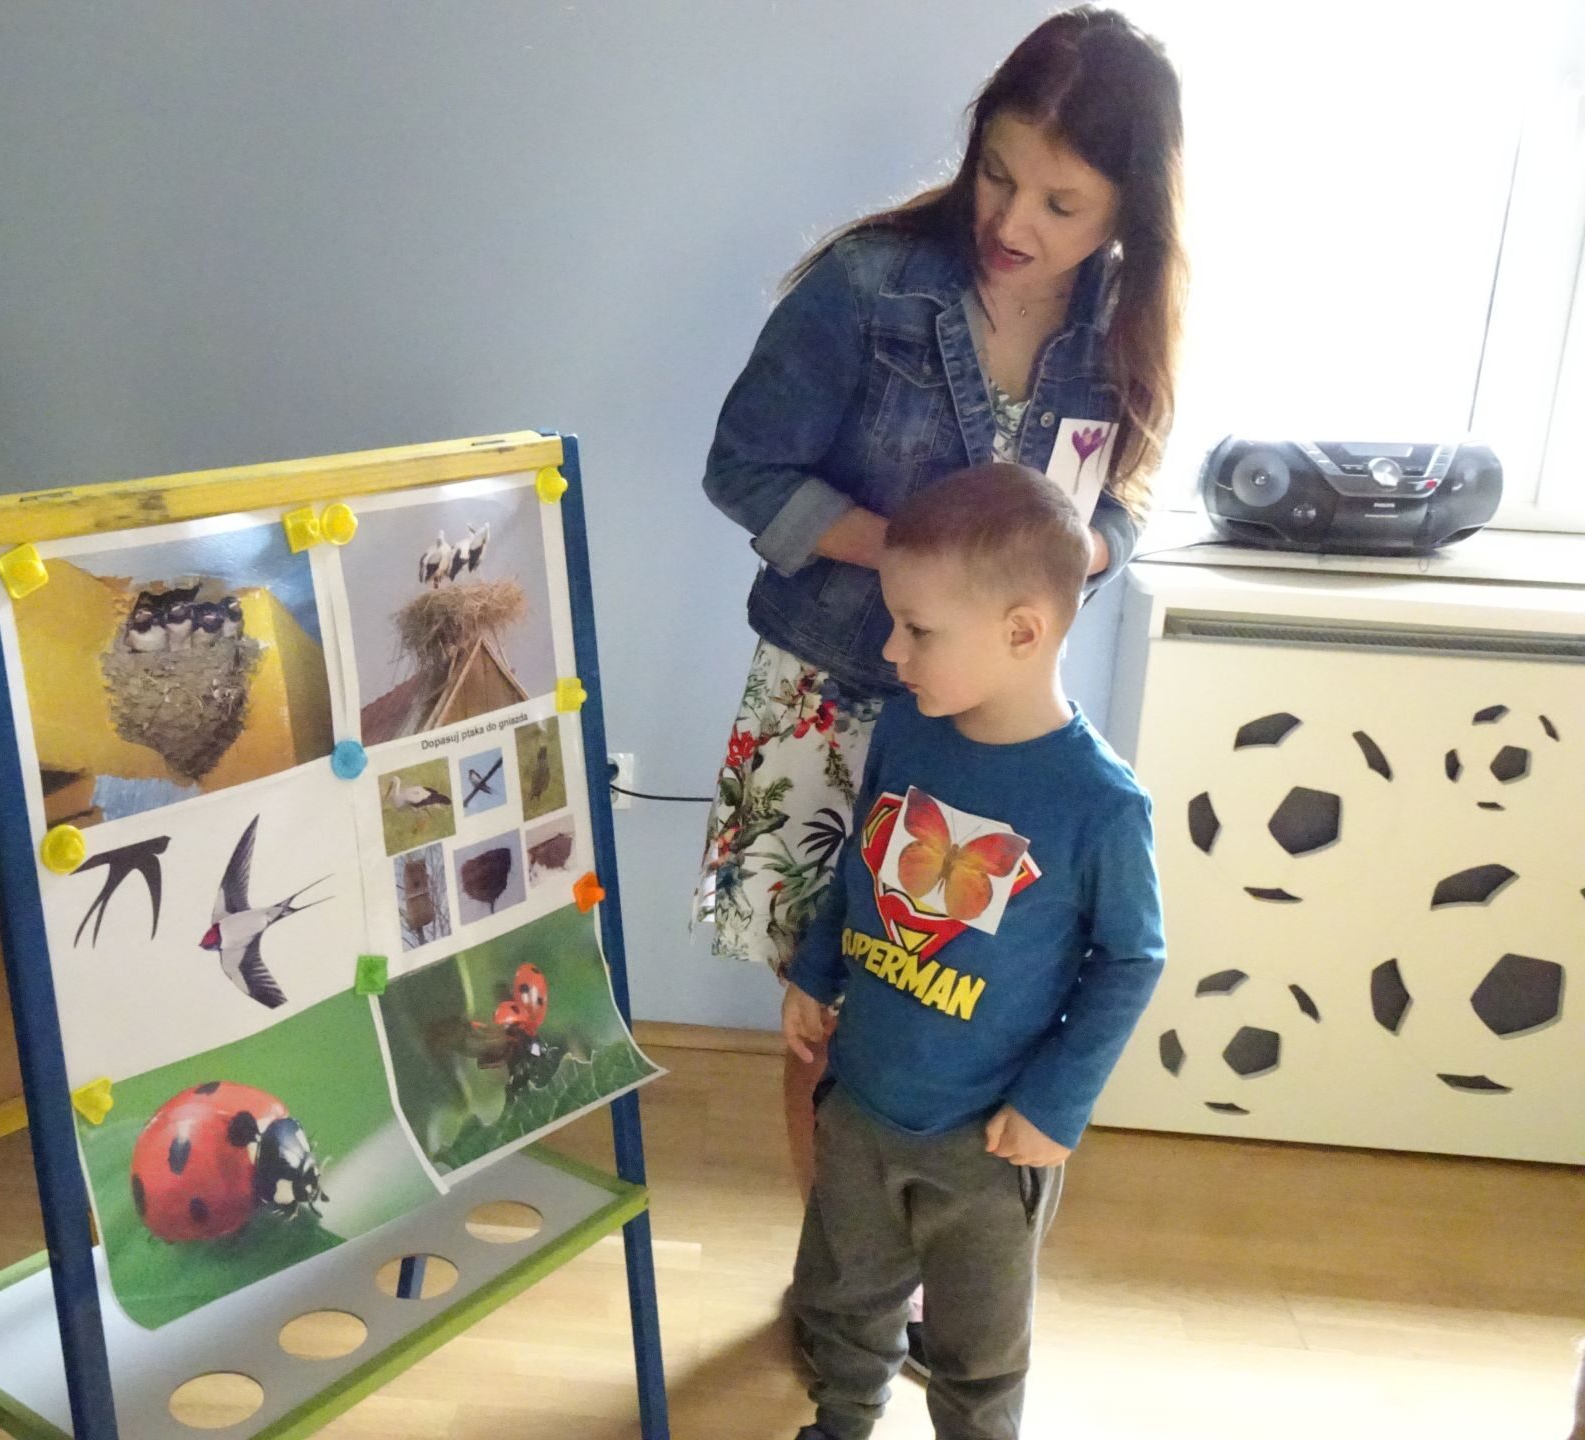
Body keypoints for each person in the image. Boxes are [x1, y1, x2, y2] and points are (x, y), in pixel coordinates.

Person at [693, 3, 1184, 1376]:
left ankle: (929, 1293)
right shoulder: (868, 286)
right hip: (835, 696)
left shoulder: (1124, 327)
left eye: (1061, 203)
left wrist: (1070, 561)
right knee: (827, 1021)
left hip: (997, 738)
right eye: (997, 174)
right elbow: (744, 470)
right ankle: (842, 1291)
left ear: (1128, 210)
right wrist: (915, 560)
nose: (1012, 220)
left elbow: (1125, 502)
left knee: (967, 1007)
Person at [780, 463, 1165, 1440]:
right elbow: (864, 858)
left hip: (988, 1145)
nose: (890, 649)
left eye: (917, 629)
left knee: (977, 1351)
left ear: (1022, 631)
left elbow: (1130, 960)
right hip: (862, 1106)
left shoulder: (1100, 804)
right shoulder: (909, 731)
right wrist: (816, 971)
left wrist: (1055, 1105)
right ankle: (840, 1424)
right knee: (843, 1299)